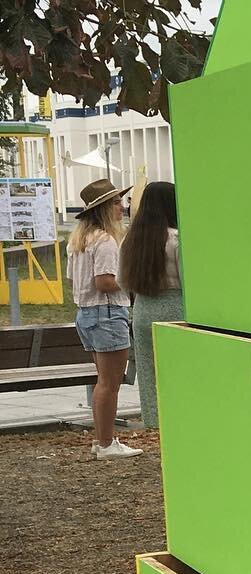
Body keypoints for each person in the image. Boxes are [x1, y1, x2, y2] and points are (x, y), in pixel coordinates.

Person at [66, 178, 140, 459]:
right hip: (108, 313)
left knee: (103, 381)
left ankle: (102, 439)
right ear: (105, 209)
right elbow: (105, 281)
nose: (122, 207)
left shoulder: (79, 241)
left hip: (86, 313)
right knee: (110, 383)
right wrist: (131, 281)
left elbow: (72, 278)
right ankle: (107, 443)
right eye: (116, 202)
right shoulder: (107, 241)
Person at [119, 180, 181, 429]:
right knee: (178, 369)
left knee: (148, 371)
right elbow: (188, 280)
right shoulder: (176, 239)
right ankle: (180, 418)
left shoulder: (130, 240)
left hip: (143, 309)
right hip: (176, 307)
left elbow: (122, 281)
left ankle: (154, 420)